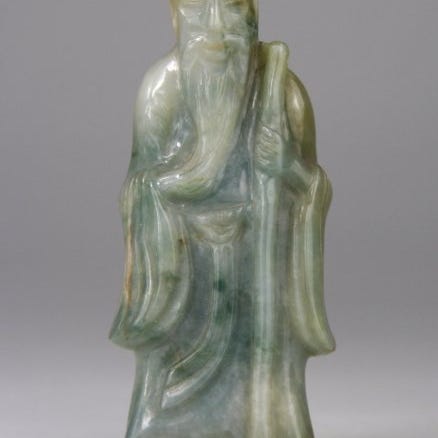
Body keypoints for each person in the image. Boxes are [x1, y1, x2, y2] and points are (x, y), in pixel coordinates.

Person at [110, 1, 335, 436]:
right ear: (175, 17)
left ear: (254, 19)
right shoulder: (162, 89)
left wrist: (287, 166)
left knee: (265, 372)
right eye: (199, 11)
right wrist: (193, 177)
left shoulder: (285, 94)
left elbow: (314, 189)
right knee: (169, 372)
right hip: (186, 279)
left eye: (232, 12)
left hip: (261, 283)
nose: (215, 34)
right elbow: (138, 192)